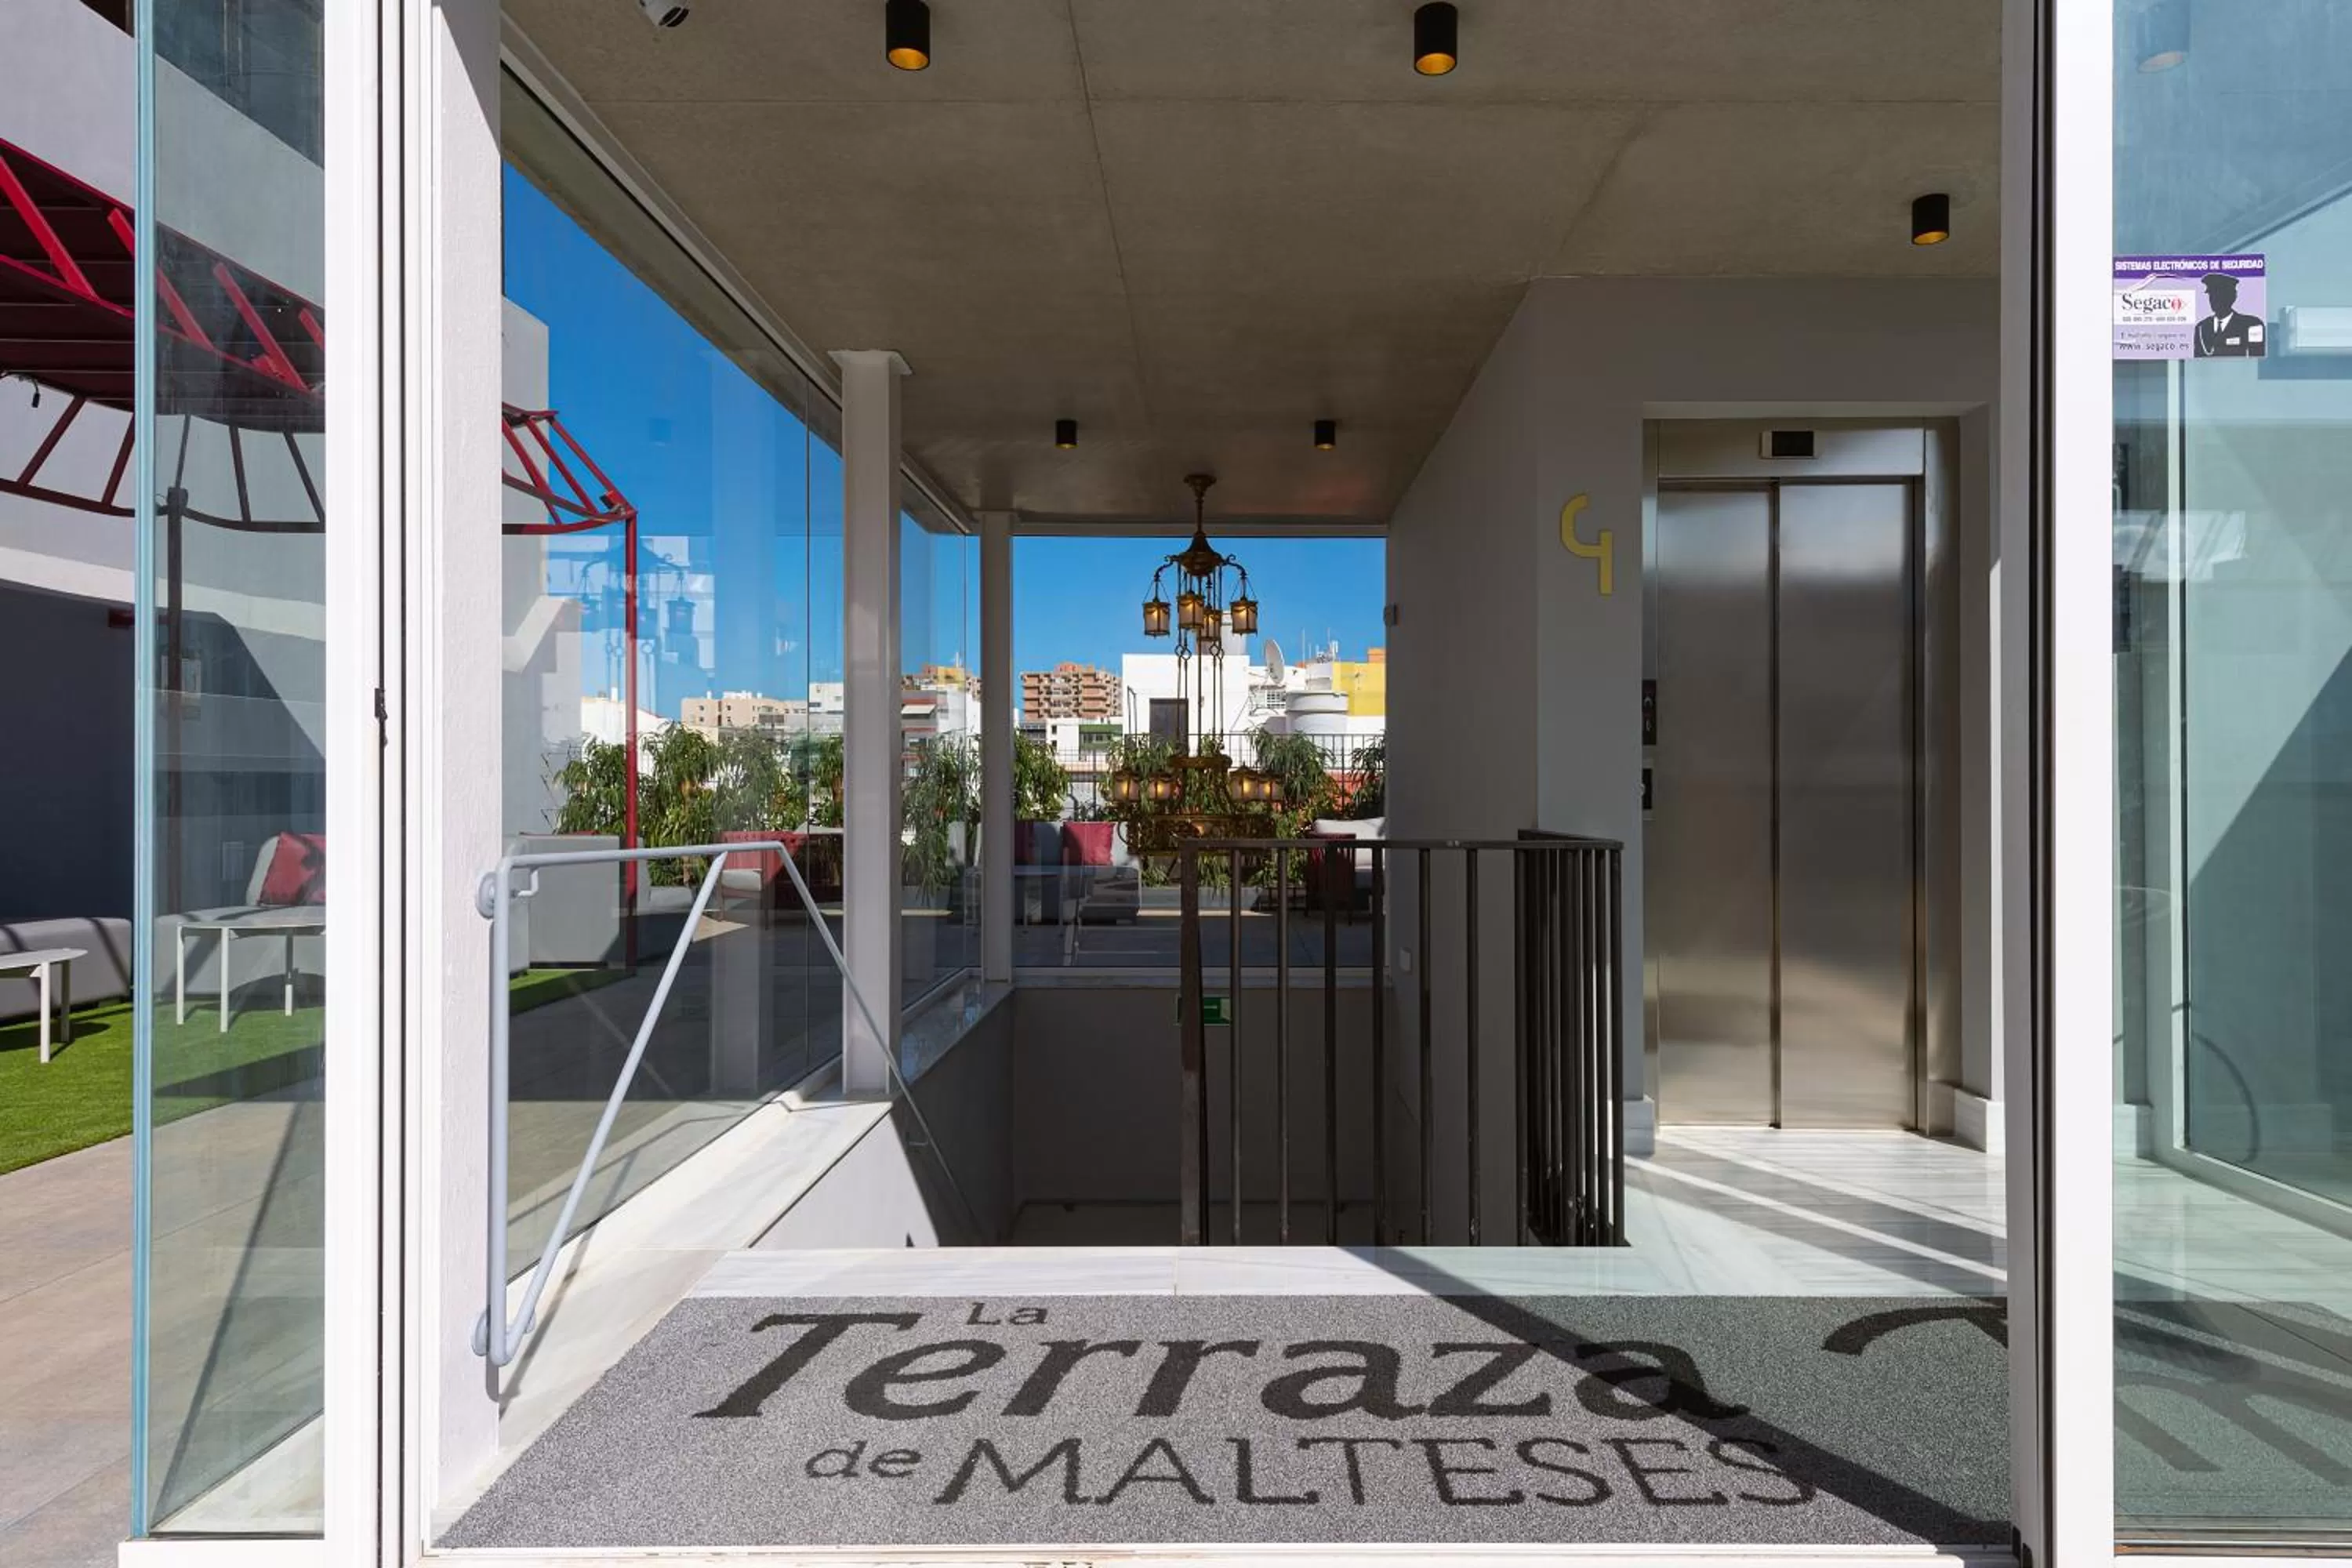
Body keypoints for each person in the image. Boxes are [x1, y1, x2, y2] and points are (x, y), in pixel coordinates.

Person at [2194, 273, 2267, 358]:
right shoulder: (2201, 328)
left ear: (2232, 297)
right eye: (2211, 295)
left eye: (2219, 295)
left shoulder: (2252, 324)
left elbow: (2257, 358)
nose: (2214, 300)